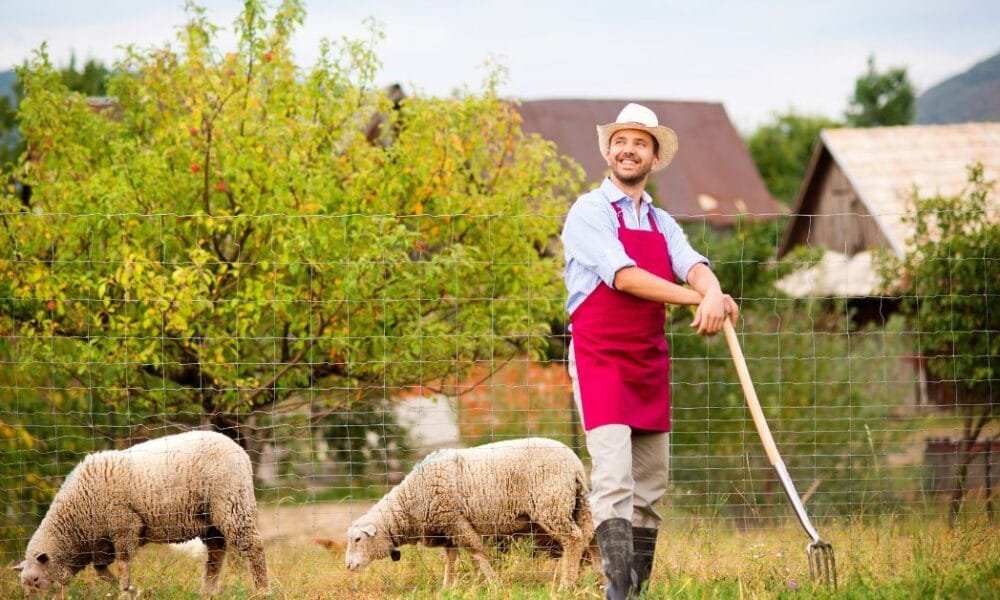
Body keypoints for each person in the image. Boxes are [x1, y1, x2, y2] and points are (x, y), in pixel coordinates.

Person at [561, 103, 739, 599]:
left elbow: (693, 263)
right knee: (614, 480)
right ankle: (615, 592)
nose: (628, 149)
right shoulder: (588, 212)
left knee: (652, 488)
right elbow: (624, 277)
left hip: (646, 362)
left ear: (654, 158)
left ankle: (636, 592)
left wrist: (710, 287)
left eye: (640, 142)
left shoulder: (661, 221)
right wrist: (699, 299)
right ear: (609, 151)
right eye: (621, 140)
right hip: (600, 360)